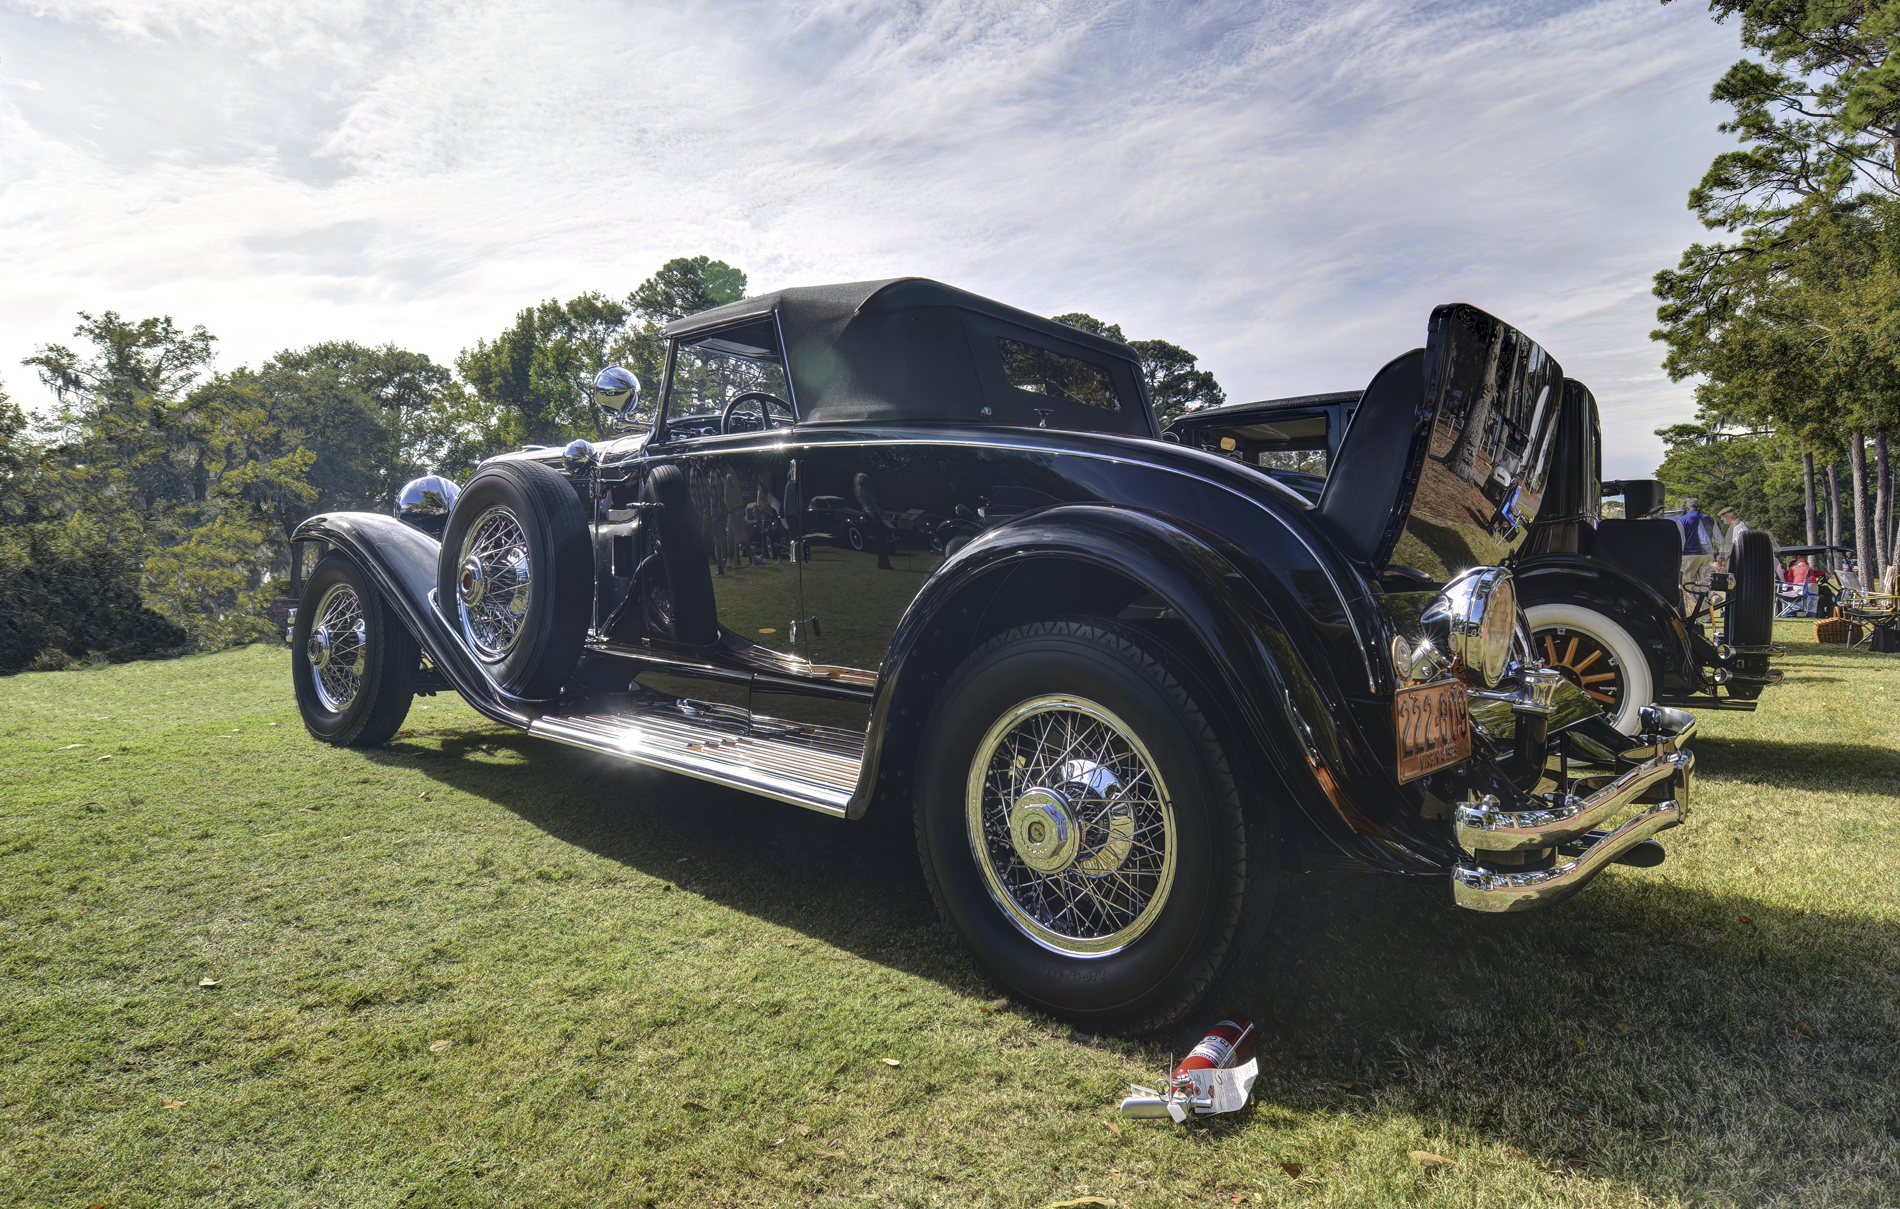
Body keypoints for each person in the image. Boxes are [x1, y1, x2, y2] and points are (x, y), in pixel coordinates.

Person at [1676, 497, 1718, 612]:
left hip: (1689, 555)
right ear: (1699, 507)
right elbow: (1719, 538)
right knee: (1706, 584)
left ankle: (1693, 613)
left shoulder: (1682, 520)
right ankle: (1706, 613)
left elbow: (1681, 540)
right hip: (1708, 555)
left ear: (1687, 508)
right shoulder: (1710, 519)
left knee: (1688, 585)